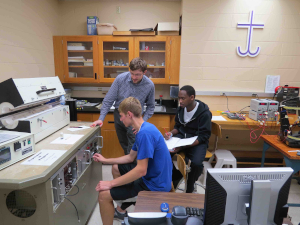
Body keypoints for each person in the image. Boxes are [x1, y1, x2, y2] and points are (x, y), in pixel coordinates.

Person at [93, 97, 172, 225]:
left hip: (155, 186)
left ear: (129, 114)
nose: (120, 119)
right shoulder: (144, 128)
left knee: (103, 195)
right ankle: (123, 204)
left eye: (121, 116)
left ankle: (123, 200)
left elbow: (141, 170)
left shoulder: (144, 134)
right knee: (116, 167)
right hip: (154, 177)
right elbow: (130, 157)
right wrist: (105, 160)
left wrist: (111, 184)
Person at [91, 57, 155, 155]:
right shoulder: (120, 79)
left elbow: (151, 106)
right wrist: (101, 118)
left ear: (144, 72)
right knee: (124, 146)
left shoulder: (149, 85)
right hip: (119, 116)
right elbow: (108, 100)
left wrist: (142, 123)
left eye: (137, 74)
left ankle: (134, 168)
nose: (134, 77)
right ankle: (127, 168)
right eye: (132, 73)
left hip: (134, 119)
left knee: (134, 148)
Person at [164, 85, 212, 193]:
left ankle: (190, 188)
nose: (180, 101)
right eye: (179, 98)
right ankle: (176, 176)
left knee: (196, 164)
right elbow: (178, 127)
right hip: (182, 138)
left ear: (192, 97)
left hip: (198, 141)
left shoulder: (204, 113)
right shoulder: (181, 109)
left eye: (183, 98)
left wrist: (181, 146)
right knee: (163, 152)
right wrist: (171, 134)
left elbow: (204, 136)